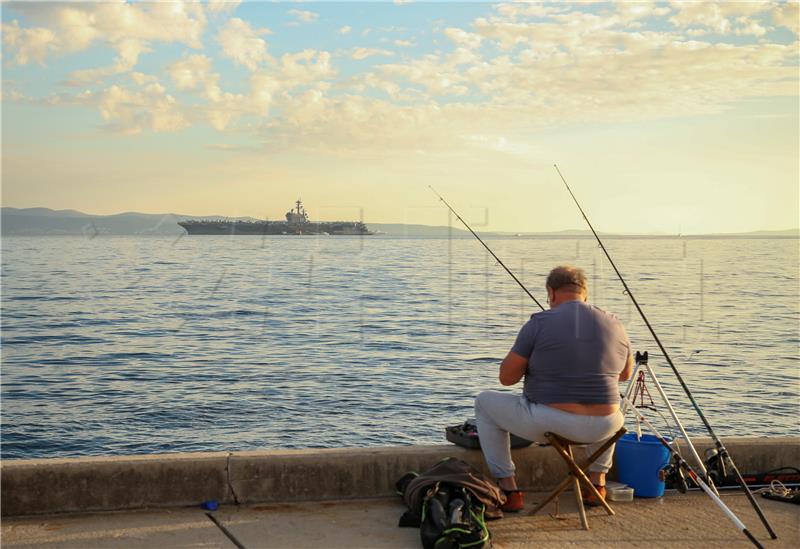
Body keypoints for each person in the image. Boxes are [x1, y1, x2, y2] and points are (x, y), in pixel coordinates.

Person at [475, 265, 633, 512]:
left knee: (484, 402)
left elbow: (506, 379)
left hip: (552, 424)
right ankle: (597, 482)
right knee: (612, 401)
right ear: (585, 293)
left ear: (551, 292)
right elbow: (624, 375)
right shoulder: (615, 324)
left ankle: (509, 488)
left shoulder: (538, 323)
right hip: (606, 427)